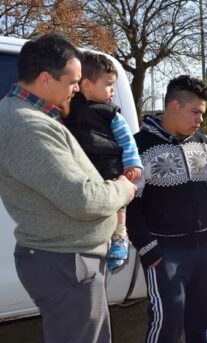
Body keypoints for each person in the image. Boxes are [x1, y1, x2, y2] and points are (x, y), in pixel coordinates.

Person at [0, 33, 136, 343]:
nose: (77, 88)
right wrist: (122, 188)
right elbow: (82, 199)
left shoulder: (29, 117)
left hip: (64, 258)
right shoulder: (27, 126)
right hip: (65, 261)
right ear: (45, 79)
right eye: (73, 81)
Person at [126, 75, 207, 343]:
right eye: (195, 112)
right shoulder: (138, 146)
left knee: (203, 320)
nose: (201, 119)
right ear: (173, 105)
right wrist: (148, 248)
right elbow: (131, 203)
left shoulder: (204, 144)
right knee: (167, 321)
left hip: (206, 250)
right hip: (166, 253)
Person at [64, 52, 143, 271]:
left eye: (114, 85)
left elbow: (127, 141)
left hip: (109, 163)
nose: (112, 91)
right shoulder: (67, 108)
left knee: (118, 198)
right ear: (87, 85)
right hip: (81, 165)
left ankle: (119, 235)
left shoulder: (111, 114)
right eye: (109, 85)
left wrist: (133, 164)